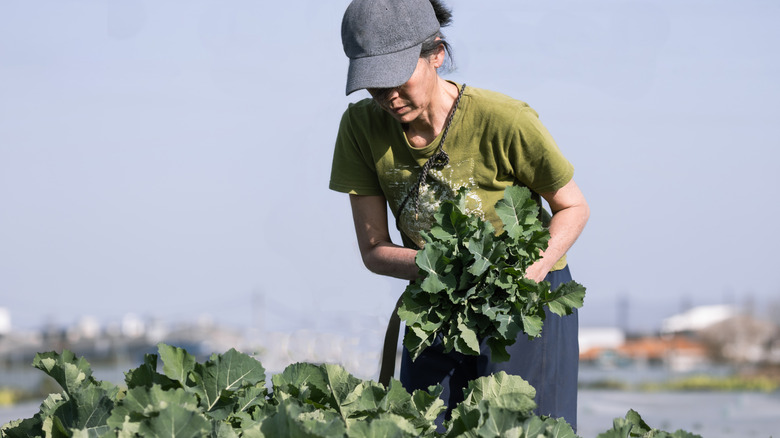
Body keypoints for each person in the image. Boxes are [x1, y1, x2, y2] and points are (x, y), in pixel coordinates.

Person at [329, 0, 590, 430]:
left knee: (525, 429)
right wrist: (446, 269)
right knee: (425, 425)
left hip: (524, 300)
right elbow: (374, 249)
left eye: (397, 79)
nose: (388, 97)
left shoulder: (505, 120)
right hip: (434, 298)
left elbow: (573, 207)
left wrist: (528, 271)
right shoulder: (359, 128)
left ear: (436, 55)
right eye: (374, 86)